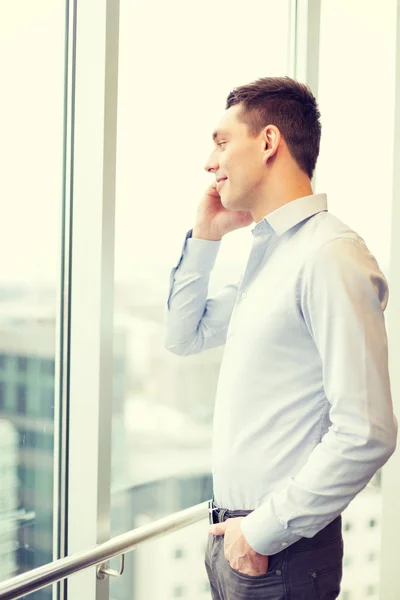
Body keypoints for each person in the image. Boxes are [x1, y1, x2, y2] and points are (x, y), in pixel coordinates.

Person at [164, 76, 398, 599]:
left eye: (222, 142)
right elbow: (183, 335)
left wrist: (259, 534)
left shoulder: (330, 256)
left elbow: (367, 431)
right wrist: (205, 236)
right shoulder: (271, 256)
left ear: (268, 142)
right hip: (239, 539)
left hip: (278, 551)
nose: (209, 162)